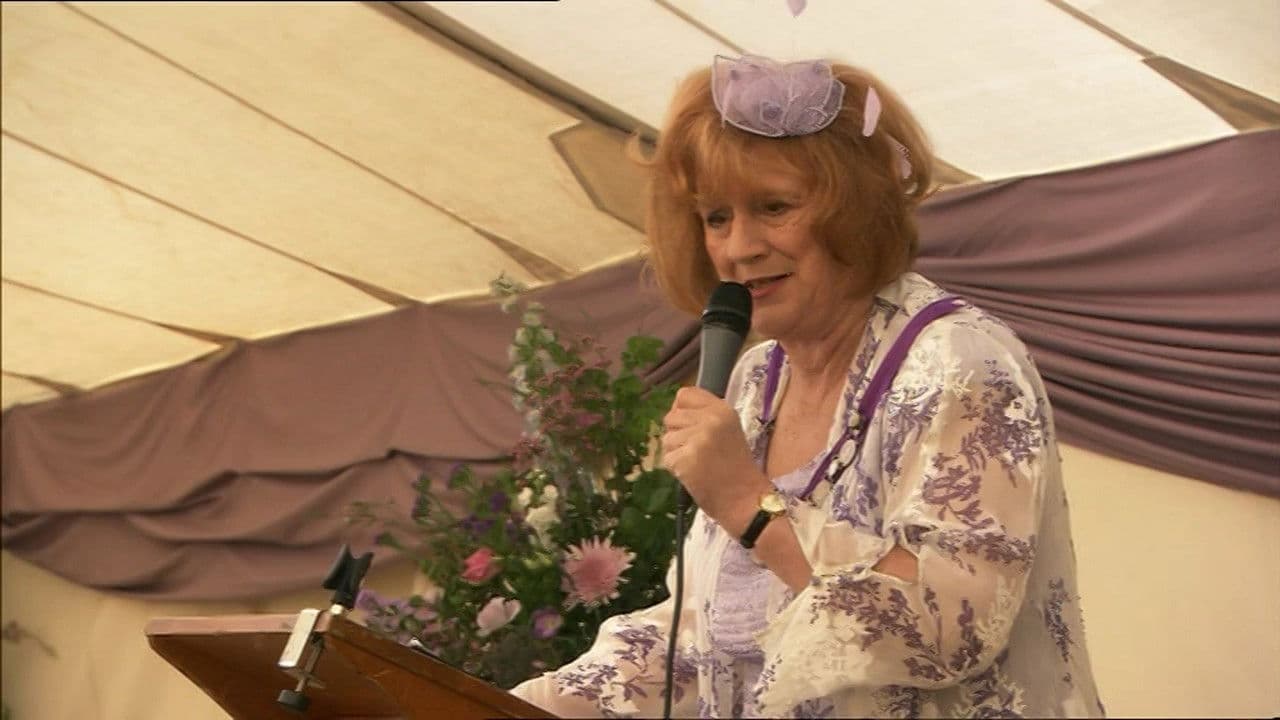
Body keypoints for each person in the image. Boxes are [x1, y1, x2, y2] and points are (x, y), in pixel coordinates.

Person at [511, 54, 1104, 718]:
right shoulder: (755, 378)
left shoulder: (959, 362)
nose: (740, 248)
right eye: (715, 217)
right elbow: (702, 639)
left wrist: (749, 504)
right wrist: (511, 705)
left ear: (854, 208)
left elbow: (952, 626)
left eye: (773, 207)